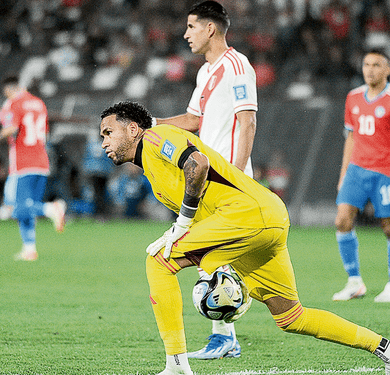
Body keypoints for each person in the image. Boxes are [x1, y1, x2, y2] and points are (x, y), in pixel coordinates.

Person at [99, 101, 390, 375]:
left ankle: (177, 366)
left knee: (159, 262)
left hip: (246, 216)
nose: (103, 142)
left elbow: (197, 164)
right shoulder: (152, 171)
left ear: (133, 129)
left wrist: (181, 224)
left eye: (108, 132)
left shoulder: (156, 137)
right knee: (292, 317)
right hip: (265, 220)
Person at [152, 1, 258, 359]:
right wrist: (149, 125)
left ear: (210, 28)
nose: (185, 34)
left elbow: (248, 121)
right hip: (208, 181)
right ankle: (224, 335)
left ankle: (225, 335)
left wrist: (238, 174)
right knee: (212, 257)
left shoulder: (236, 65)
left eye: (192, 27)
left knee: (214, 256)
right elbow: (193, 120)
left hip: (229, 180)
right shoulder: (206, 72)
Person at [332, 50, 390, 303]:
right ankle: (355, 282)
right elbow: (351, 137)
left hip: (387, 171)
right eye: (366, 64)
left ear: (388, 69)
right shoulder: (353, 97)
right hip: (357, 170)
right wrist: (343, 172)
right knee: (342, 221)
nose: (370, 69)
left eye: (376, 65)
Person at [0, 76, 66, 261]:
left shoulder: (13, 103)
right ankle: (29, 249)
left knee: (16, 208)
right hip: (42, 161)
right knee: (26, 208)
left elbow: (11, 128)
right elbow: (45, 132)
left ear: (9, 89)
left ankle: (51, 209)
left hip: (23, 162)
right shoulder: (39, 103)